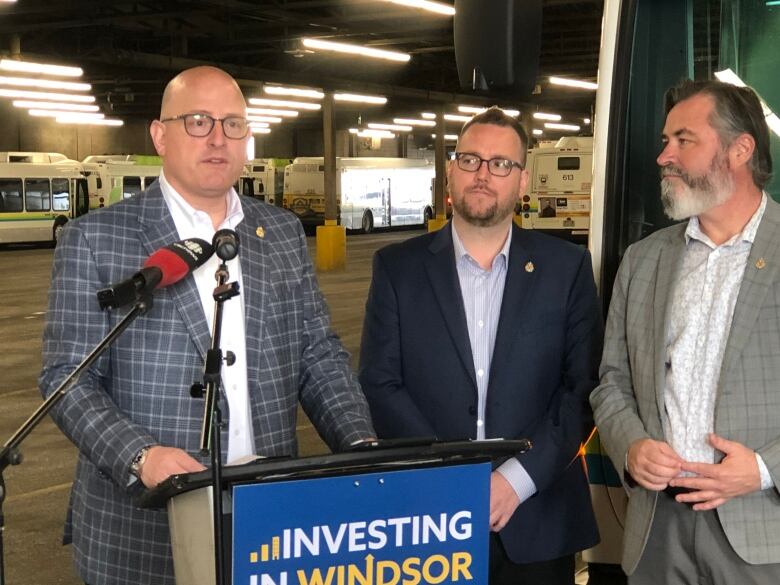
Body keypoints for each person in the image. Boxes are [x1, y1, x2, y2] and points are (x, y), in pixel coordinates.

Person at [39, 66, 374, 585]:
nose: (218, 138)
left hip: (269, 525)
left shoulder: (281, 232)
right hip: (142, 531)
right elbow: (67, 377)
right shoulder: (95, 239)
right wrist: (140, 456)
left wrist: (360, 446)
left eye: (233, 124)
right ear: (160, 135)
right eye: (198, 121)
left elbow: (317, 354)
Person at [359, 107, 602, 584]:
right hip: (428, 520)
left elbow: (582, 389)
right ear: (450, 171)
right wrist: (452, 477)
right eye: (469, 160)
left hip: (537, 517)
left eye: (500, 163)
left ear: (522, 181)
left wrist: (514, 481)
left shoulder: (567, 269)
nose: (483, 174)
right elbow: (379, 383)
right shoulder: (397, 268)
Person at [590, 79, 780, 584]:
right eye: (664, 140)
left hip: (762, 530)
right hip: (657, 529)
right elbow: (612, 381)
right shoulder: (643, 259)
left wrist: (763, 470)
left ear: (740, 149)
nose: (663, 156)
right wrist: (631, 447)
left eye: (683, 140)